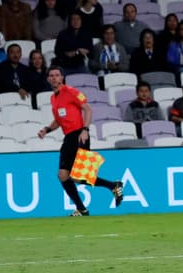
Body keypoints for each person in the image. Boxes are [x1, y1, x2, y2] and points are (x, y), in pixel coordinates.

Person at [37, 67, 123, 217]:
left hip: (79, 135)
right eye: (51, 76)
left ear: (61, 77)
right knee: (64, 175)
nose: (54, 78)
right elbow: (58, 121)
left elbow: (88, 110)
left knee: (76, 176)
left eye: (57, 75)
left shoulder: (70, 92)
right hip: (69, 137)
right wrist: (47, 129)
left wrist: (85, 130)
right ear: (48, 79)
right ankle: (90, 203)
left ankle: (108, 190)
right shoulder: (53, 98)